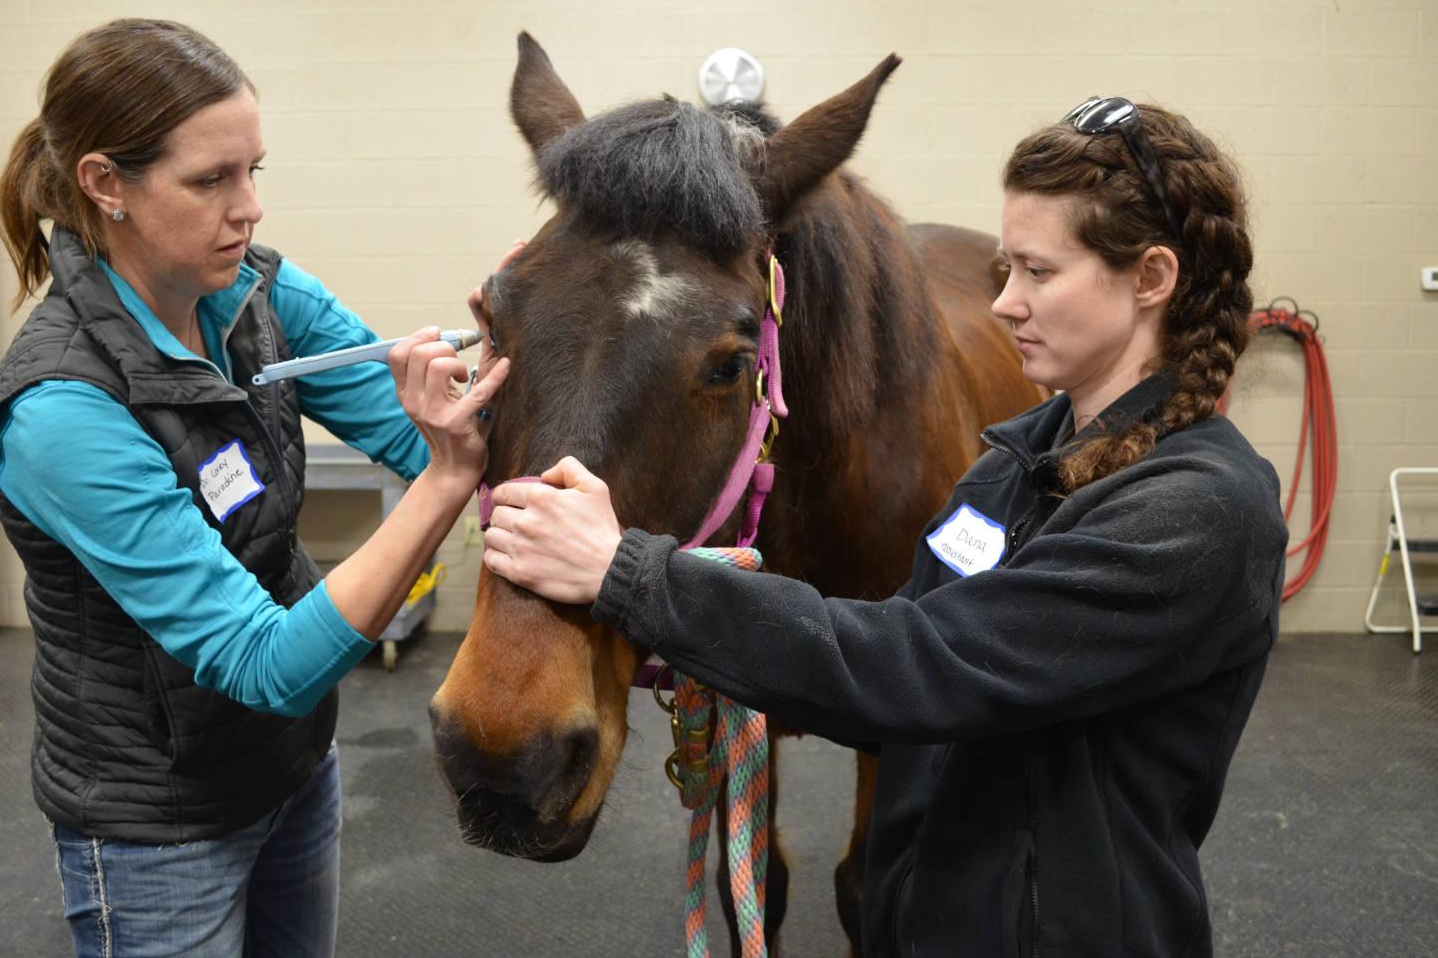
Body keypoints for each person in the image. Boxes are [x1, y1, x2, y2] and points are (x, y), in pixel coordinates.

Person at [480, 97, 1287, 956]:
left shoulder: (1198, 511)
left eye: (1036, 273)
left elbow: (922, 670)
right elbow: (894, 668)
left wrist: (634, 578)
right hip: (934, 916)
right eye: (1003, 269)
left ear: (1151, 278)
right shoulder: (1010, 468)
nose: (1005, 302)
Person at [0, 18, 507, 957]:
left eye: (254, 171)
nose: (247, 207)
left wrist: (512, 391)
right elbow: (263, 666)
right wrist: (448, 477)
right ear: (105, 184)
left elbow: (428, 439)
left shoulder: (254, 293)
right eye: (210, 180)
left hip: (293, 768)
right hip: (159, 822)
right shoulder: (60, 409)